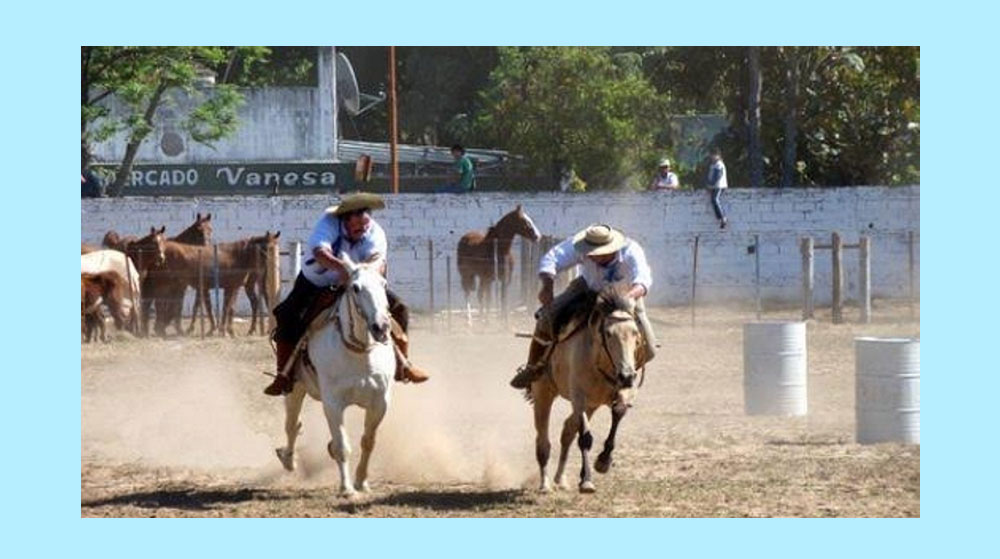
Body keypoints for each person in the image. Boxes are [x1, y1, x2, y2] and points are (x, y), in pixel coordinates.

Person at [263, 192, 429, 396]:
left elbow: (378, 263)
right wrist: (342, 268)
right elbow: (320, 253)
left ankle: (403, 366)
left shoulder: (375, 232)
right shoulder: (327, 224)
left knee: (400, 309)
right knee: (287, 315)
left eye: (365, 225)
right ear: (345, 219)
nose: (362, 230)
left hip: (361, 281)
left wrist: (358, 275)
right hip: (316, 282)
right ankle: (284, 375)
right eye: (357, 226)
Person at [509, 224, 658, 389]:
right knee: (546, 317)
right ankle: (533, 368)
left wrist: (627, 298)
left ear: (610, 249)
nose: (590, 256)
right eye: (589, 252)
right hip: (588, 289)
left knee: (650, 349)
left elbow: (643, 279)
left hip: (624, 295)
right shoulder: (581, 245)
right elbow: (552, 259)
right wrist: (547, 284)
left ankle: (624, 377)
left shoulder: (631, 250)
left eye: (596, 254)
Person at [706, 148, 728, 229]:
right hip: (714, 186)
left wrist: (710, 184)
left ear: (717, 156)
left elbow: (717, 176)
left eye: (713, 155)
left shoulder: (719, 164)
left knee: (715, 199)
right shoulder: (713, 165)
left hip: (719, 186)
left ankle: (723, 217)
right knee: (713, 200)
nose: (711, 157)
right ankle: (719, 217)